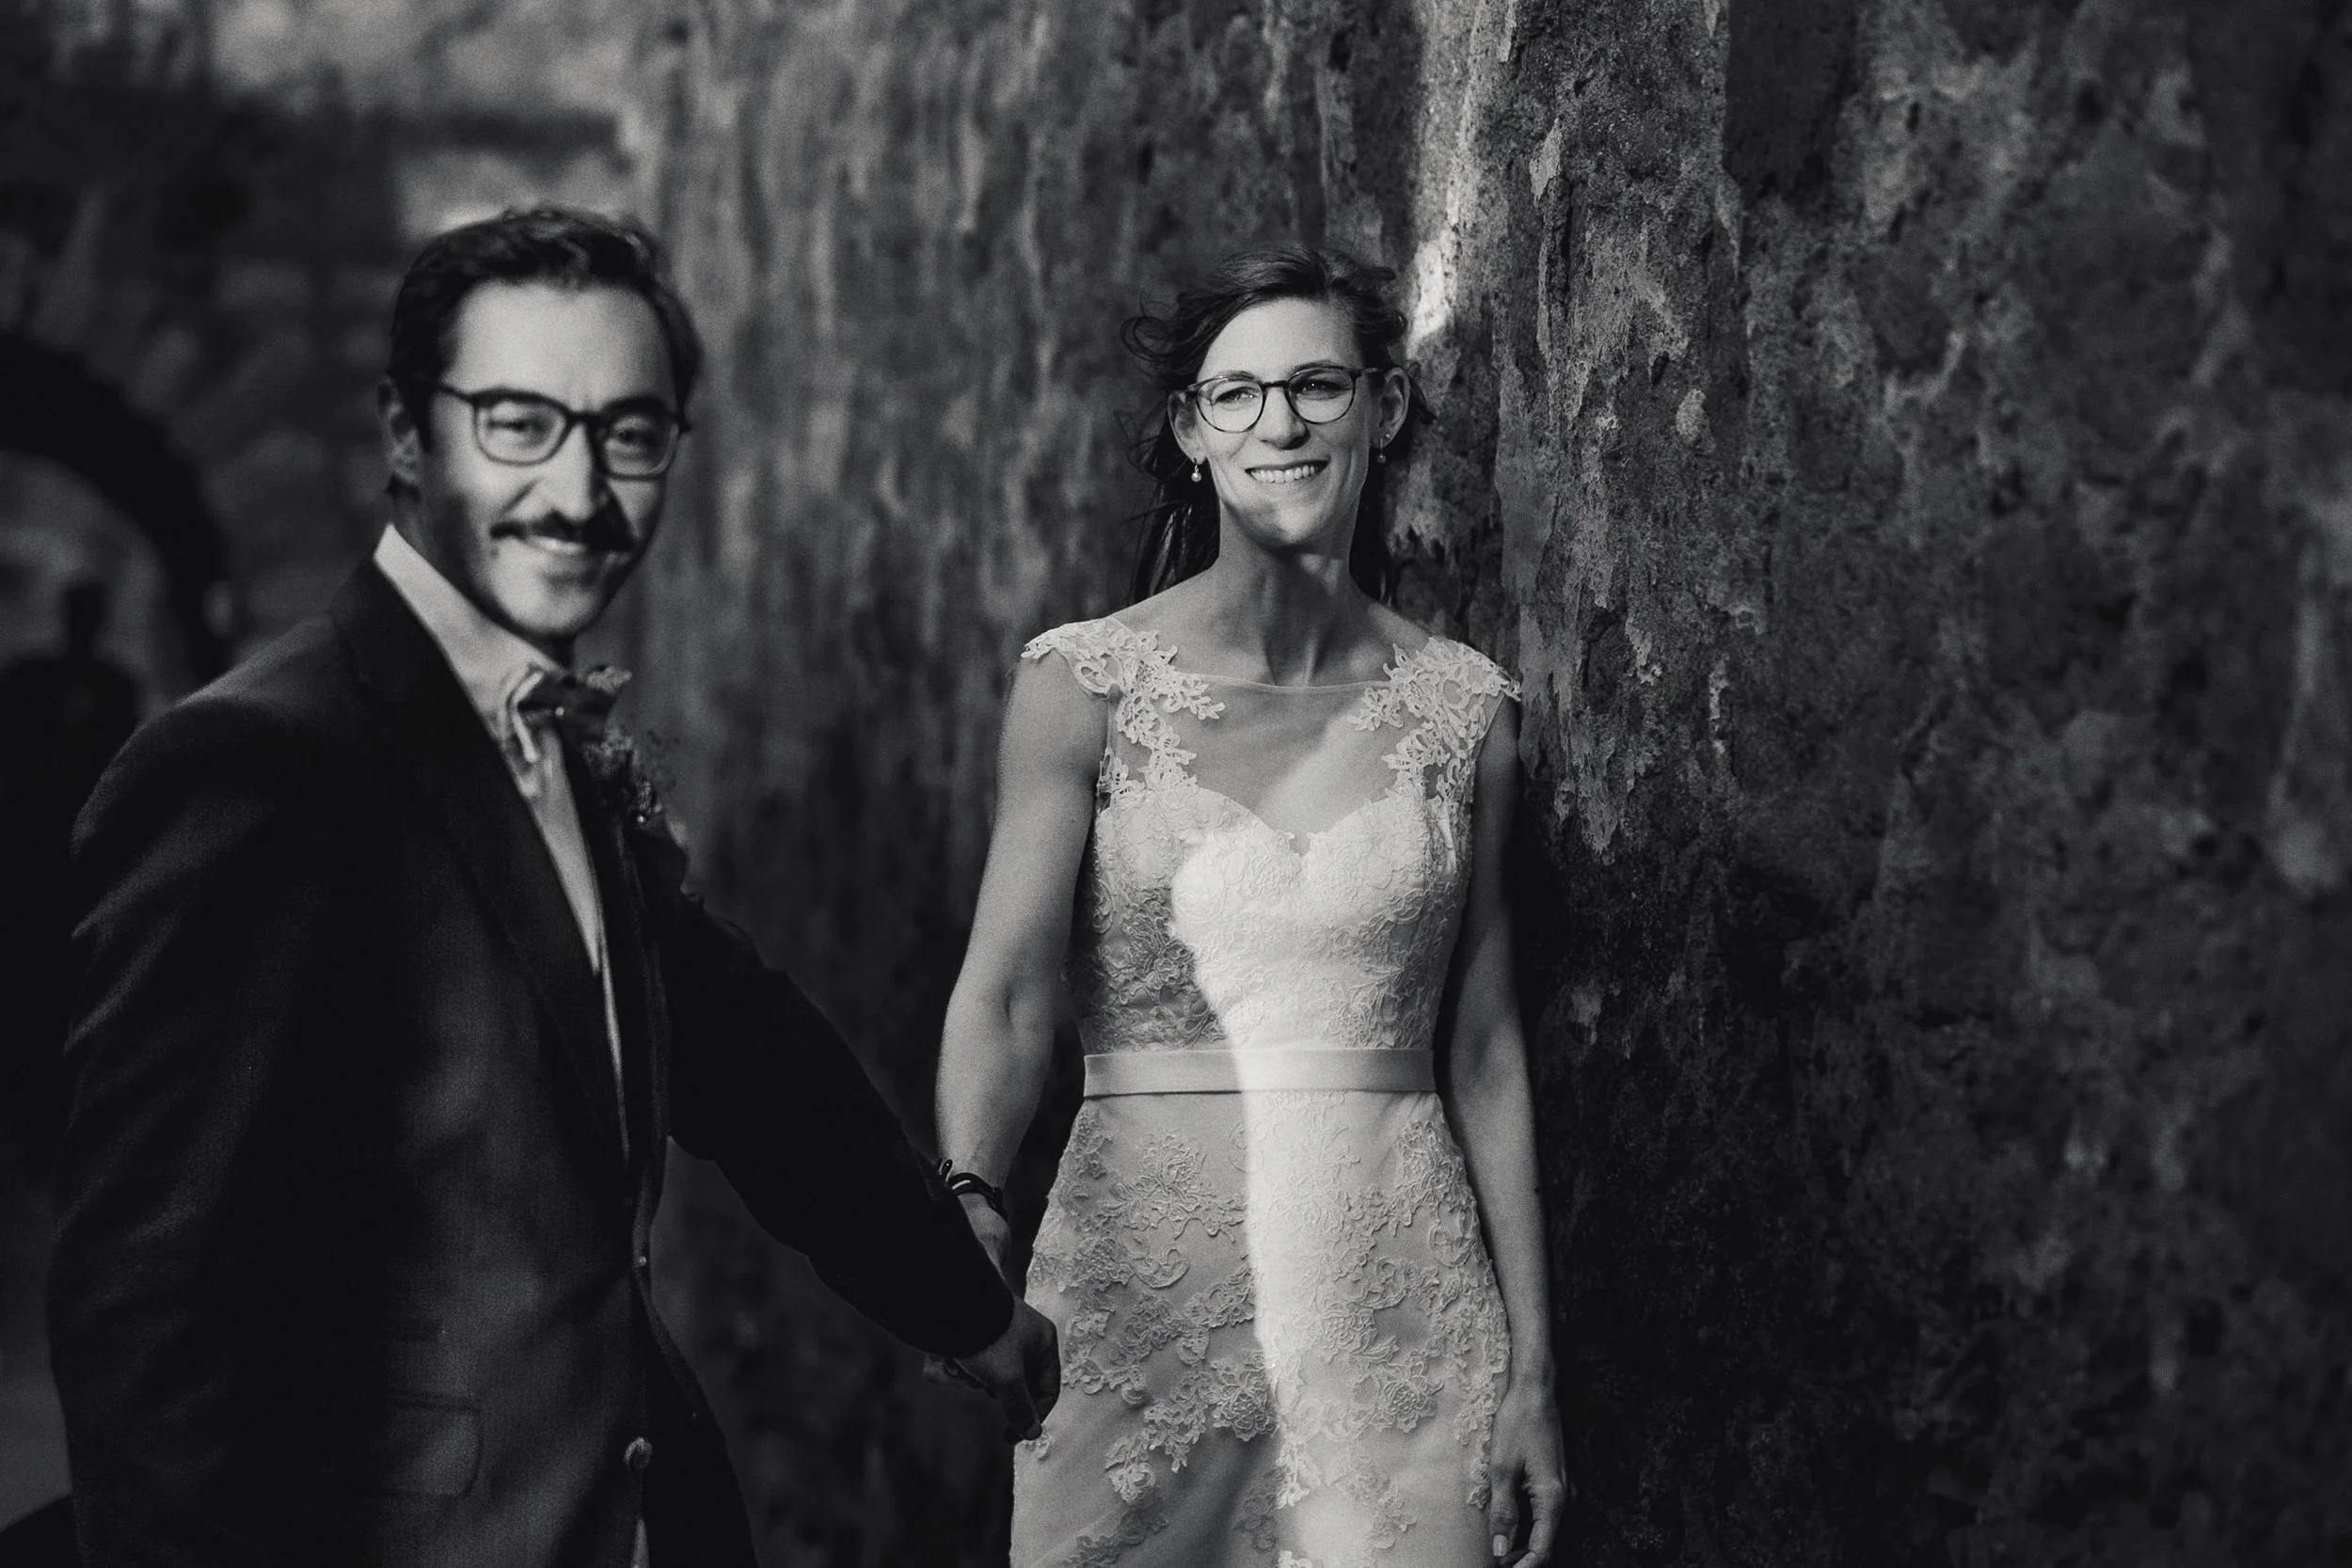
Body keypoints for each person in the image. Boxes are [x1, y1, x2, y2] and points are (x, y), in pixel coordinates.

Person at [48, 208, 1058, 1568]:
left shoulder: (547, 740)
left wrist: (960, 1296)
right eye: (518, 422)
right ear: (408, 433)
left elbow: (740, 1052)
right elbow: (148, 1306)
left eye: (629, 433)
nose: (580, 491)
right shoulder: (259, 766)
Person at [934, 245, 1565, 1568]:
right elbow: (1005, 992)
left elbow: (1491, 1046)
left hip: (1401, 1312)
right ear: (1193, 431)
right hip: (1135, 1306)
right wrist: (974, 1195)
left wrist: (1533, 1373)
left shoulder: (1469, 712)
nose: (1280, 425)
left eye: (1319, 386)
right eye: (1238, 395)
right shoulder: (1082, 685)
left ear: (1383, 409)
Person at [0, 579, 139, 1172]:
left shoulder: (115, 685)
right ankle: (29, 1105)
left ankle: (62, 1105)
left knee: (72, 977)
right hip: (29, 854)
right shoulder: (27, 680)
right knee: (29, 978)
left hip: (83, 858)